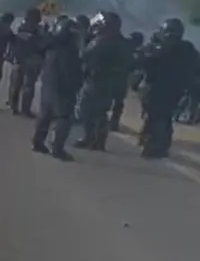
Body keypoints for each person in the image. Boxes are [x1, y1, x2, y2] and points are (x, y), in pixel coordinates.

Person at [139, 18, 199, 159]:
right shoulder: (188, 48)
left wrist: (151, 46)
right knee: (164, 118)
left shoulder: (161, 47)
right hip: (176, 90)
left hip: (158, 88)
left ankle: (155, 147)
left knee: (157, 118)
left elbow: (145, 63)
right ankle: (160, 146)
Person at [32, 17, 83, 160]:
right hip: (62, 88)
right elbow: (70, 73)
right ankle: (57, 148)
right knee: (64, 118)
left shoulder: (51, 46)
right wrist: (76, 84)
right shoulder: (68, 51)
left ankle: (38, 142)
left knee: (45, 115)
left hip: (48, 84)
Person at [73, 11, 125, 151]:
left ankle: (89, 138)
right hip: (109, 82)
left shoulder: (101, 40)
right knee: (100, 112)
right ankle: (98, 141)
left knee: (86, 110)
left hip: (96, 81)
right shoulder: (120, 40)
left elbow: (83, 54)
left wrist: (83, 37)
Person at [8, 8, 46, 117]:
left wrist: (11, 56)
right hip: (32, 60)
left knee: (15, 85)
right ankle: (25, 110)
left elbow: (12, 42)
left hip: (18, 59)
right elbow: (42, 45)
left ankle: (13, 107)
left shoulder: (18, 27)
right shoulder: (40, 30)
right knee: (28, 86)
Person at [108, 30, 144, 131]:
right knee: (118, 102)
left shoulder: (125, 47)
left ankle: (108, 122)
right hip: (123, 78)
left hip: (116, 76)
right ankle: (113, 123)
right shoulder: (137, 52)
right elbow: (136, 66)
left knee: (111, 100)